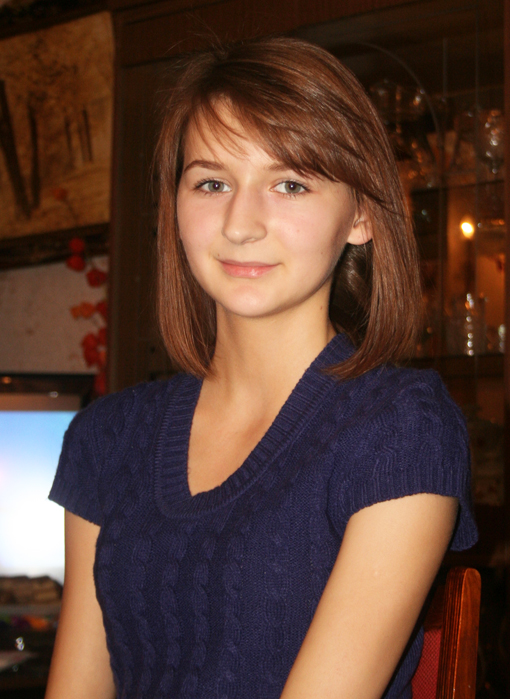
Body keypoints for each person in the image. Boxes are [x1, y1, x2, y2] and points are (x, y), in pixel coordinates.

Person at [45, 36, 477, 699]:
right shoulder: (105, 437)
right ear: (175, 208)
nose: (240, 223)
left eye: (290, 184)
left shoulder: (400, 430)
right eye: (212, 182)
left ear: (361, 215)